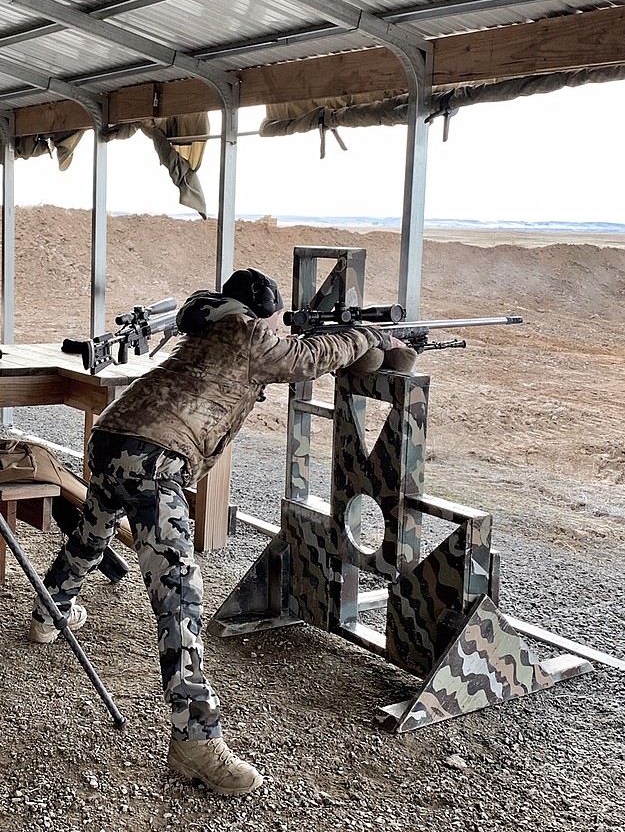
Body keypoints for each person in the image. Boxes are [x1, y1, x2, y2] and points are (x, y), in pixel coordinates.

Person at [31, 268, 406, 796]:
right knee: (180, 598)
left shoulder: (204, 325)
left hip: (114, 439)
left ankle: (51, 611)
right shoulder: (247, 334)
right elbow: (308, 359)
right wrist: (369, 336)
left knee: (92, 535)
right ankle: (195, 741)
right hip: (155, 456)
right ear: (261, 312)